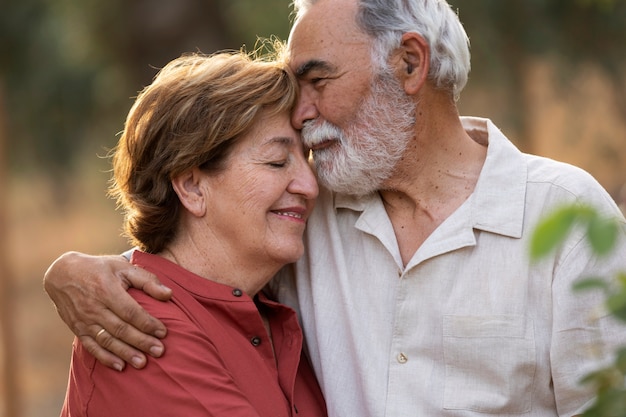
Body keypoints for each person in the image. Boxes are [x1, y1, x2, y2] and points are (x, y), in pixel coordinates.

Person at [46, 0, 626, 416]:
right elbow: (200, 257)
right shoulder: (309, 213)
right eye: (280, 159)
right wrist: (76, 271)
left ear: (408, 63)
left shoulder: (567, 217)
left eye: (317, 79)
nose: (302, 112)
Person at [57, 50, 327, 417]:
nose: (310, 186)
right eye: (277, 162)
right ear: (192, 187)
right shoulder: (138, 327)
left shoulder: (274, 310)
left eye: (307, 161)